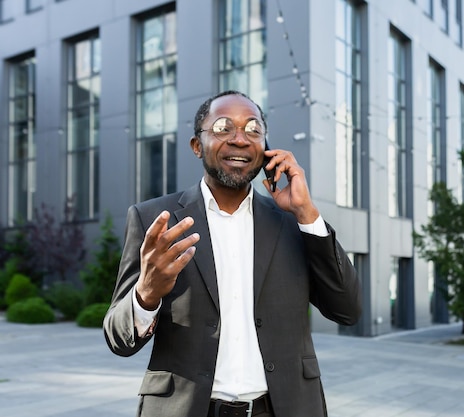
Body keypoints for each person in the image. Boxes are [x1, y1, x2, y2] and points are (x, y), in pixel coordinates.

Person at [104, 90, 362, 417]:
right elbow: (119, 339)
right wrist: (147, 293)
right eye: (224, 127)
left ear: (266, 148)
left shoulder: (293, 221)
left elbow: (348, 309)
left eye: (253, 129)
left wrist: (307, 213)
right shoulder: (155, 220)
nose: (240, 139)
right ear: (197, 145)